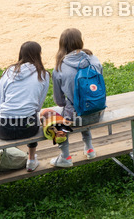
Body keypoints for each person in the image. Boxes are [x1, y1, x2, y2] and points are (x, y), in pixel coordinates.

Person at [0, 41, 49, 179]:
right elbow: (38, 105)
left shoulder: (9, 72)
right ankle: (31, 161)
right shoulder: (43, 74)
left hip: (4, 128)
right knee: (32, 117)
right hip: (29, 128)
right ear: (39, 55)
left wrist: (3, 114)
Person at [51, 28, 104, 167]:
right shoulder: (93, 59)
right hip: (97, 112)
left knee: (62, 116)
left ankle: (65, 156)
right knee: (84, 104)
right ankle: (89, 148)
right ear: (80, 40)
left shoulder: (59, 67)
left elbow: (59, 101)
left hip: (75, 118)